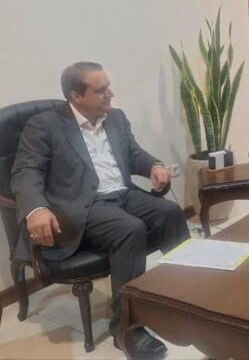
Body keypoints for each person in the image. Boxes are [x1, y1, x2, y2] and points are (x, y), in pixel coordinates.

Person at [12, 62, 190, 359]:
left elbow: (133, 153)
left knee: (171, 213)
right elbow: (26, 172)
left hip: (123, 195)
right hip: (83, 205)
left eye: (108, 86)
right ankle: (127, 328)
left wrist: (153, 166)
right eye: (101, 90)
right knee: (129, 229)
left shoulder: (115, 118)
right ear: (76, 96)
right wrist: (36, 209)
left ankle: (185, 296)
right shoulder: (44, 125)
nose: (111, 94)